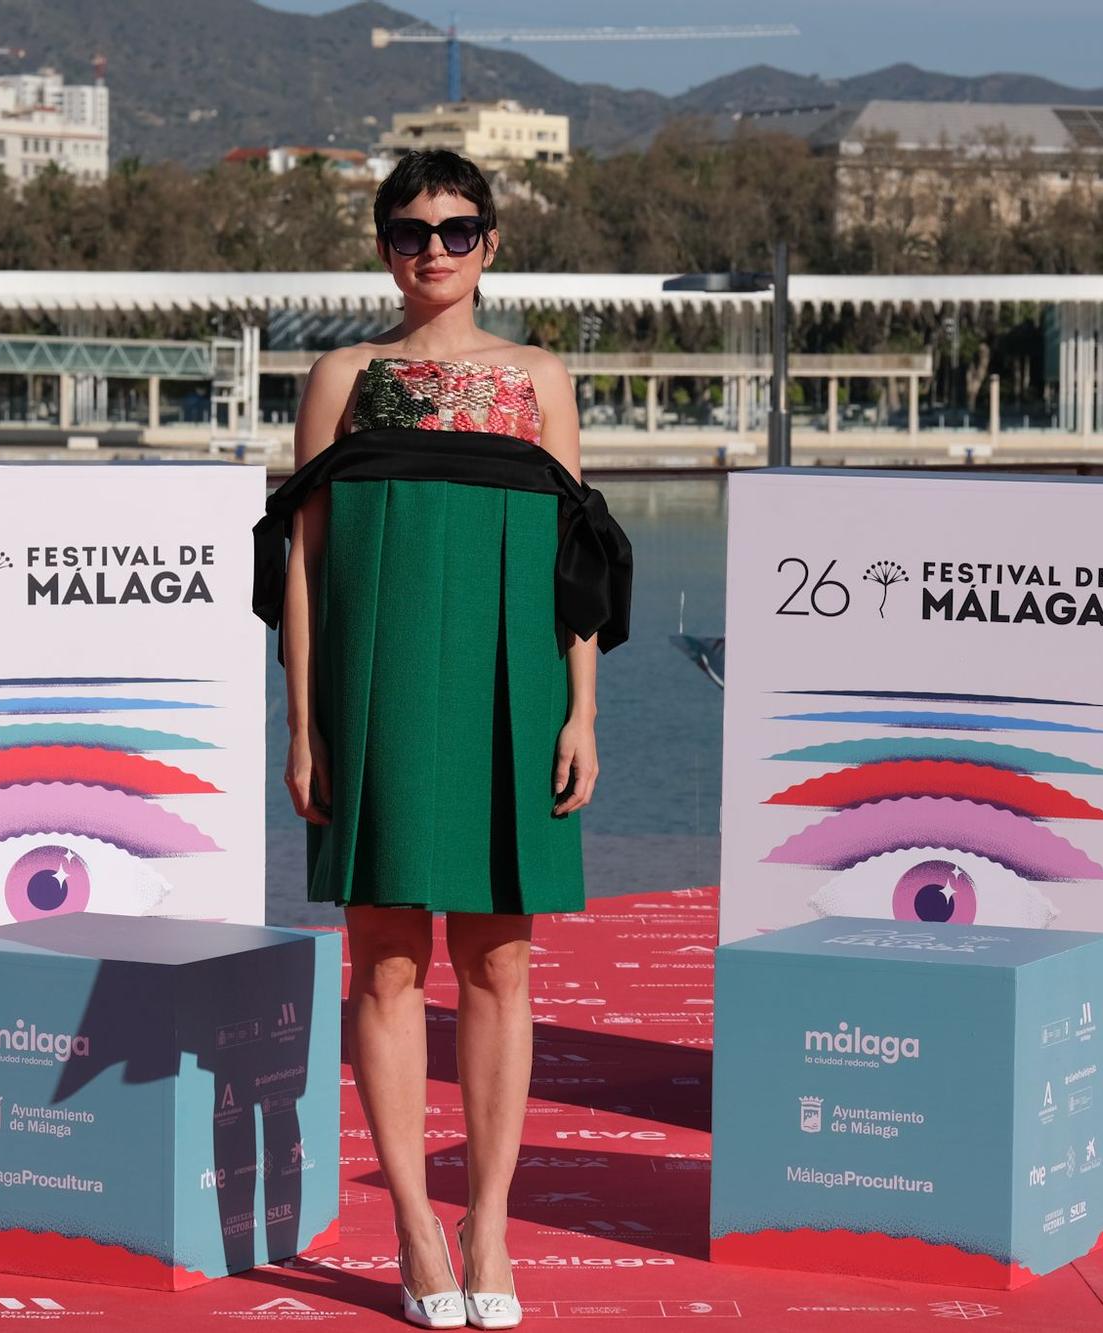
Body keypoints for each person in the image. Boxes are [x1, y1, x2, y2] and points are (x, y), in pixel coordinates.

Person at [255, 150, 632, 1330]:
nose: (433, 248)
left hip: (510, 685)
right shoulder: (343, 376)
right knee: (384, 958)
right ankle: (413, 1223)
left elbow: (578, 557)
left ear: (491, 244)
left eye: (457, 229)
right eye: (411, 230)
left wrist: (580, 707)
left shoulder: (538, 378)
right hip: (372, 691)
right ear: (382, 245)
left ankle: (488, 1225)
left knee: (500, 959)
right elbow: (302, 565)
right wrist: (302, 719)